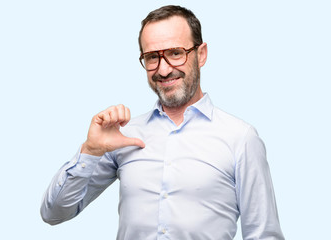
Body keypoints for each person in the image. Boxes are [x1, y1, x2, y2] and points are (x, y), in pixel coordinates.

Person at [40, 5, 284, 240]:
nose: (164, 70)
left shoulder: (240, 138)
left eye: (175, 53)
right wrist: (91, 151)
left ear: (201, 54)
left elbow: (264, 235)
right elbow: (54, 214)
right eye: (152, 57)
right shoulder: (125, 135)